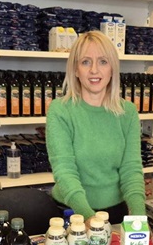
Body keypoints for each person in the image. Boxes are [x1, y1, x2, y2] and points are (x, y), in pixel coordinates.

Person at [46, 30, 146, 225]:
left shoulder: (127, 112)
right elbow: (64, 170)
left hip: (116, 213)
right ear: (75, 70)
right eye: (85, 62)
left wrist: (139, 219)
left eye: (103, 61)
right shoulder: (60, 111)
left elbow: (131, 169)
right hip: (72, 213)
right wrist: (88, 217)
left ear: (112, 68)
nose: (94, 70)